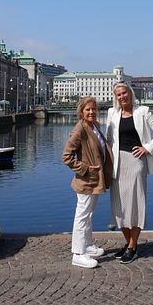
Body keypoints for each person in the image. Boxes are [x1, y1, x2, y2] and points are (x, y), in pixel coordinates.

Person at [106, 82, 153, 264]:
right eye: (119, 94)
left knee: (135, 205)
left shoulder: (143, 112)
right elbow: (108, 140)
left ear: (130, 93)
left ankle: (133, 246)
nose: (122, 96)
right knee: (119, 205)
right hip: (118, 164)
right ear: (115, 97)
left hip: (135, 163)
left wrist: (147, 148)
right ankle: (128, 243)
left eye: (124, 93)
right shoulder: (112, 113)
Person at [61, 97, 113, 268]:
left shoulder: (94, 126)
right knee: (82, 216)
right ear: (81, 112)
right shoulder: (80, 130)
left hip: (95, 179)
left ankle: (88, 245)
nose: (91, 112)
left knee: (89, 214)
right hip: (86, 180)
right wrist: (84, 168)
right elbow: (67, 157)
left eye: (93, 109)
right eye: (88, 110)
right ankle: (78, 253)